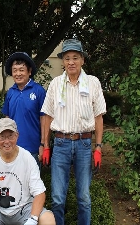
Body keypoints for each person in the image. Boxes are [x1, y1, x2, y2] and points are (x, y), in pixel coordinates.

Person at [41, 39, 107, 225]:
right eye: (67, 58)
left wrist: (98, 148)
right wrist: (46, 146)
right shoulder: (55, 84)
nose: (71, 62)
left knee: (84, 198)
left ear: (82, 60)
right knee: (57, 198)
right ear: (63, 61)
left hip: (84, 144)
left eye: (75, 57)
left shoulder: (93, 83)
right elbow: (47, 116)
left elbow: (98, 117)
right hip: (60, 144)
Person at [0, 118, 56, 225]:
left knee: (48, 218)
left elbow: (39, 193)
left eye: (10, 136)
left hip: (23, 209)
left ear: (17, 136)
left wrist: (33, 219)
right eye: (2, 137)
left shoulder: (27, 158)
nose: (7, 141)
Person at [1, 52, 46, 165]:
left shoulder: (39, 91)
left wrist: (43, 144)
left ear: (29, 71)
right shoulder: (10, 92)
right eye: (15, 70)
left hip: (33, 149)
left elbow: (44, 120)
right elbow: (7, 120)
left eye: (21, 70)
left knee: (32, 182)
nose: (18, 73)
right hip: (12, 147)